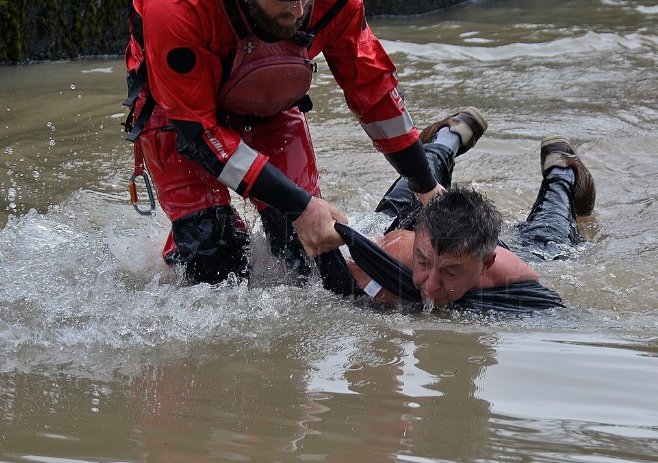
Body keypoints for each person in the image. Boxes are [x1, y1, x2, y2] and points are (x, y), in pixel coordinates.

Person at [122, 0, 477, 285]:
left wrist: (425, 184)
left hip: (270, 99)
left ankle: (443, 143)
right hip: (175, 113)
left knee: (308, 266)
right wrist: (302, 205)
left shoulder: (335, 3)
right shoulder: (174, 8)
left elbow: (373, 92)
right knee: (212, 269)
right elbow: (199, 132)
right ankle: (184, 245)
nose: (296, 10)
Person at [328, 107, 596, 314]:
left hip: (473, 243)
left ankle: (562, 171)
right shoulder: (389, 259)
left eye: (450, 272)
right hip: (411, 226)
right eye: (424, 264)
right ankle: (451, 135)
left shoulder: (514, 279)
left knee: (549, 244)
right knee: (413, 187)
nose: (430, 286)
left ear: (485, 264)